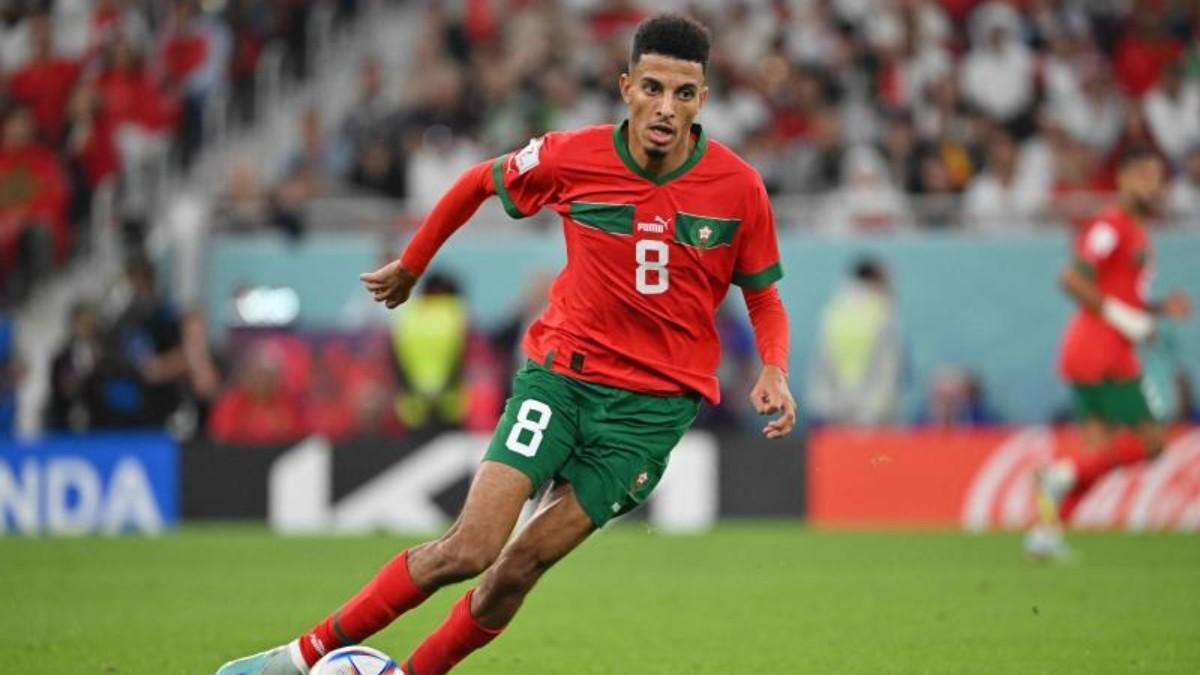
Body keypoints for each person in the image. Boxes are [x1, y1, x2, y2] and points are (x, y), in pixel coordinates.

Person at [217, 13, 795, 675]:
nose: (666, 107)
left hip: (648, 418)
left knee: (516, 571)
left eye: (683, 93)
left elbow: (764, 296)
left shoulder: (738, 187)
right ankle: (298, 657)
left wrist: (774, 367)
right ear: (626, 87)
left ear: (703, 100)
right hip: (563, 380)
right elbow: (475, 183)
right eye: (653, 88)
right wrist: (412, 263)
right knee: (470, 548)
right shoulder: (572, 157)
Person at [1025, 146, 1192, 560]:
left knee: (1098, 457)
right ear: (1122, 179)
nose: (1153, 187)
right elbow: (1071, 279)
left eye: (1158, 178)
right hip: (1104, 352)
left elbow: (1120, 294)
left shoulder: (1135, 231)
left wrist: (1156, 309)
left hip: (1089, 351)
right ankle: (1058, 474)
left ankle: (1046, 534)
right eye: (1144, 176)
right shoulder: (1111, 225)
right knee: (1153, 444)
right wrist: (1125, 319)